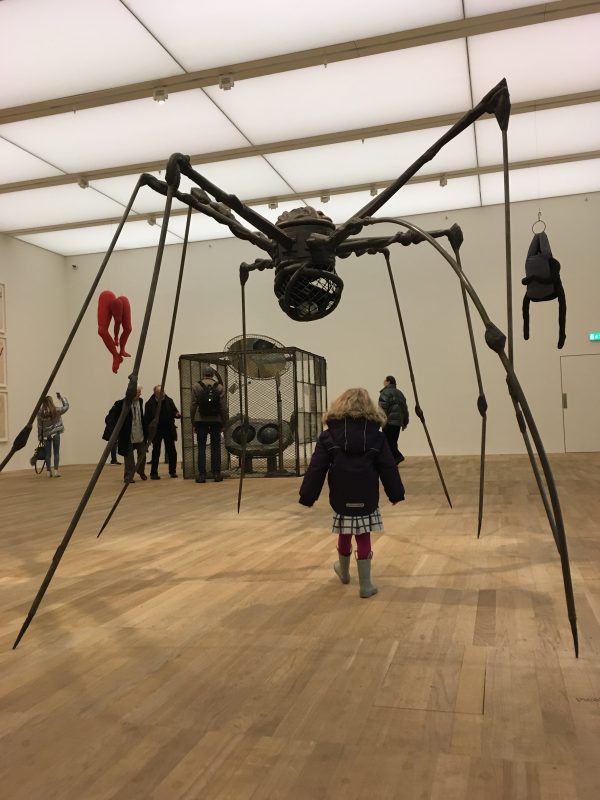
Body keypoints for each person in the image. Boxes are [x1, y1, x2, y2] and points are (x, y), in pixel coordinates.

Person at [299, 388, 404, 598]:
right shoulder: (377, 436)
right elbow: (388, 467)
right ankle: (366, 585)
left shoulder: (328, 436)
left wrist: (308, 496)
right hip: (366, 496)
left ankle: (344, 572)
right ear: (370, 408)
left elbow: (317, 468)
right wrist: (395, 494)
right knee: (363, 535)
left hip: (341, 495)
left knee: (344, 532)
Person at [190, 367, 227, 483]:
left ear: (203, 374)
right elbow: (222, 407)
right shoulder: (219, 387)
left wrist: (193, 422)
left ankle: (202, 475)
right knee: (215, 447)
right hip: (216, 420)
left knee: (201, 447)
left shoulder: (196, 386)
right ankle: (216, 473)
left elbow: (193, 405)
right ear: (213, 374)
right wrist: (224, 422)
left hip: (201, 421)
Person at [106, 386, 148, 484]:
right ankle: (128, 477)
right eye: (138, 392)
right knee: (129, 458)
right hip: (127, 435)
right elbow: (110, 417)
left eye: (140, 392)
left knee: (142, 455)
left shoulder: (140, 401)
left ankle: (140, 471)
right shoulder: (121, 403)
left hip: (139, 434)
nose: (140, 394)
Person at [144, 385, 181, 480]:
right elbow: (147, 419)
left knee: (171, 451)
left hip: (168, 429)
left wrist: (176, 414)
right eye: (160, 392)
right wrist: (148, 433)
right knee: (156, 451)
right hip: (157, 431)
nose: (162, 394)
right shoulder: (149, 403)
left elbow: (174, 411)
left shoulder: (169, 400)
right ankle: (153, 473)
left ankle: (172, 471)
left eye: (163, 392)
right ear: (155, 393)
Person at [378, 375, 409, 465]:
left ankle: (398, 456)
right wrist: (405, 422)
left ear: (388, 382)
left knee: (387, 442)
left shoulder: (385, 393)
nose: (383, 382)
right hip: (398, 422)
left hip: (389, 421)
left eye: (385, 380)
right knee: (393, 442)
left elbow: (382, 409)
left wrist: (379, 421)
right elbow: (405, 409)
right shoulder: (400, 393)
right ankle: (393, 460)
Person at [37, 393, 69, 477]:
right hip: (55, 434)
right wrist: (61, 398)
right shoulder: (56, 410)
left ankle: (48, 472)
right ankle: (56, 471)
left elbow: (39, 426)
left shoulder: (40, 413)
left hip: (46, 435)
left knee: (48, 454)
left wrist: (40, 436)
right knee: (56, 453)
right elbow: (66, 407)